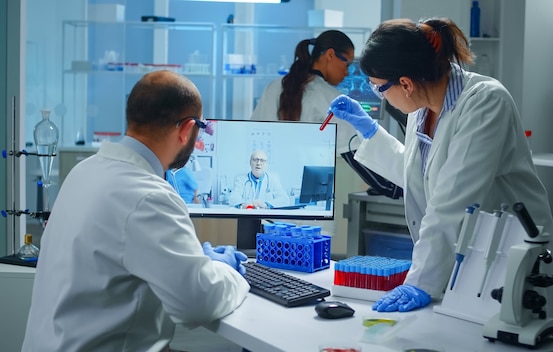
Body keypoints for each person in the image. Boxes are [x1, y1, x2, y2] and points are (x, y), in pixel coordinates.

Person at [328, 18, 553, 314]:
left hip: (505, 250)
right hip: (463, 252)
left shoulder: (485, 102)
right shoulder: (422, 107)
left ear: (406, 84)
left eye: (378, 88)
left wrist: (421, 281)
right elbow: (421, 174)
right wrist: (371, 132)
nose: (380, 96)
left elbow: (454, 200)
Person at [22, 70, 250, 352]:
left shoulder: (85, 171)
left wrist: (196, 264)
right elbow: (197, 304)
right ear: (186, 128)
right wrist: (228, 271)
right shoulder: (149, 196)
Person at [250, 30, 367, 253]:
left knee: (272, 269)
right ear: (330, 55)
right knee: (309, 274)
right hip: (312, 213)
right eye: (347, 63)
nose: (348, 72)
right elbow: (355, 153)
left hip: (272, 202)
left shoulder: (274, 88)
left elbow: (254, 135)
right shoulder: (330, 99)